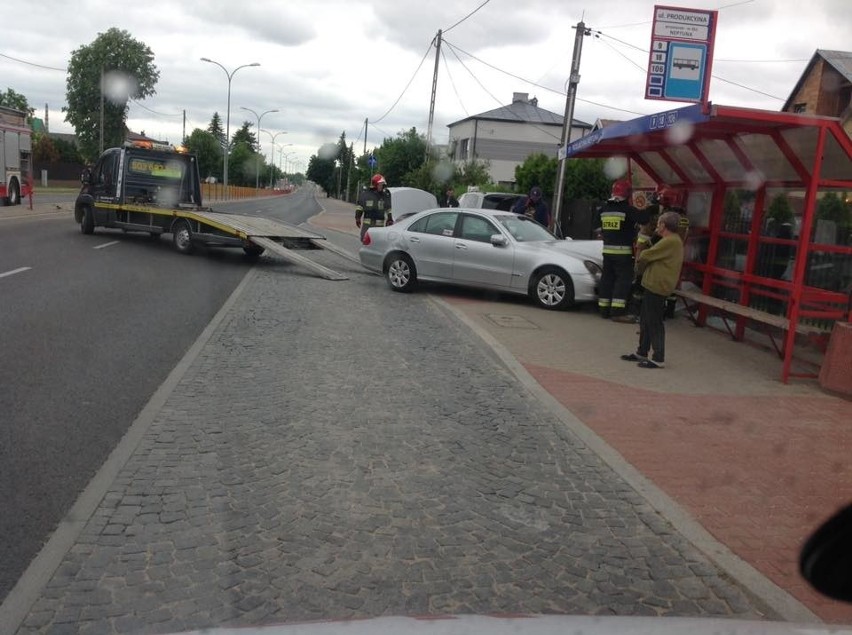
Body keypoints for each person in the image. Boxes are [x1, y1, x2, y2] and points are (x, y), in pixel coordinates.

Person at [620, 211, 685, 369]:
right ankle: (642, 351)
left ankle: (658, 357)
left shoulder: (670, 241)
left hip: (658, 285)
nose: (657, 226)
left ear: (664, 225)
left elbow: (646, 255)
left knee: (654, 321)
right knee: (645, 320)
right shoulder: (669, 240)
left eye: (659, 223)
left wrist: (640, 263)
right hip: (653, 284)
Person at [595, 179, 650, 322]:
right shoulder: (627, 210)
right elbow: (644, 219)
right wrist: (647, 206)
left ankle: (604, 310)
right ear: (627, 194)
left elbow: (598, 229)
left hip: (607, 252)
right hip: (623, 253)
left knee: (607, 279)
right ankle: (617, 312)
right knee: (622, 281)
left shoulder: (604, 209)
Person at [355, 174, 393, 241]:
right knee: (365, 240)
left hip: (379, 226)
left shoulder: (384, 195)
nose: (382, 186)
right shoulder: (366, 194)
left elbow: (388, 208)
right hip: (368, 225)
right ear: (376, 184)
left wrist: (390, 218)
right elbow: (360, 207)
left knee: (377, 242)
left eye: (382, 184)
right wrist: (357, 217)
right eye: (381, 184)